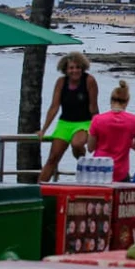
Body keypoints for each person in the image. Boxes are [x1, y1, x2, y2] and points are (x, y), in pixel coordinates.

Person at [40, 52, 99, 182]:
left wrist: (96, 129)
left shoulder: (89, 80)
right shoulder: (61, 82)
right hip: (64, 123)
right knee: (53, 158)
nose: (75, 71)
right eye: (71, 68)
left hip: (84, 123)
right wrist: (43, 129)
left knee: (77, 144)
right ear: (65, 70)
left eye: (78, 67)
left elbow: (93, 107)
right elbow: (54, 107)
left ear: (82, 68)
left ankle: (84, 166)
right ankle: (38, 190)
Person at [88, 80, 135, 183]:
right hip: (120, 172)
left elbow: (90, 148)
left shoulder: (97, 119)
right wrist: (128, 142)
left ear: (110, 100)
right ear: (127, 101)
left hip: (99, 169)